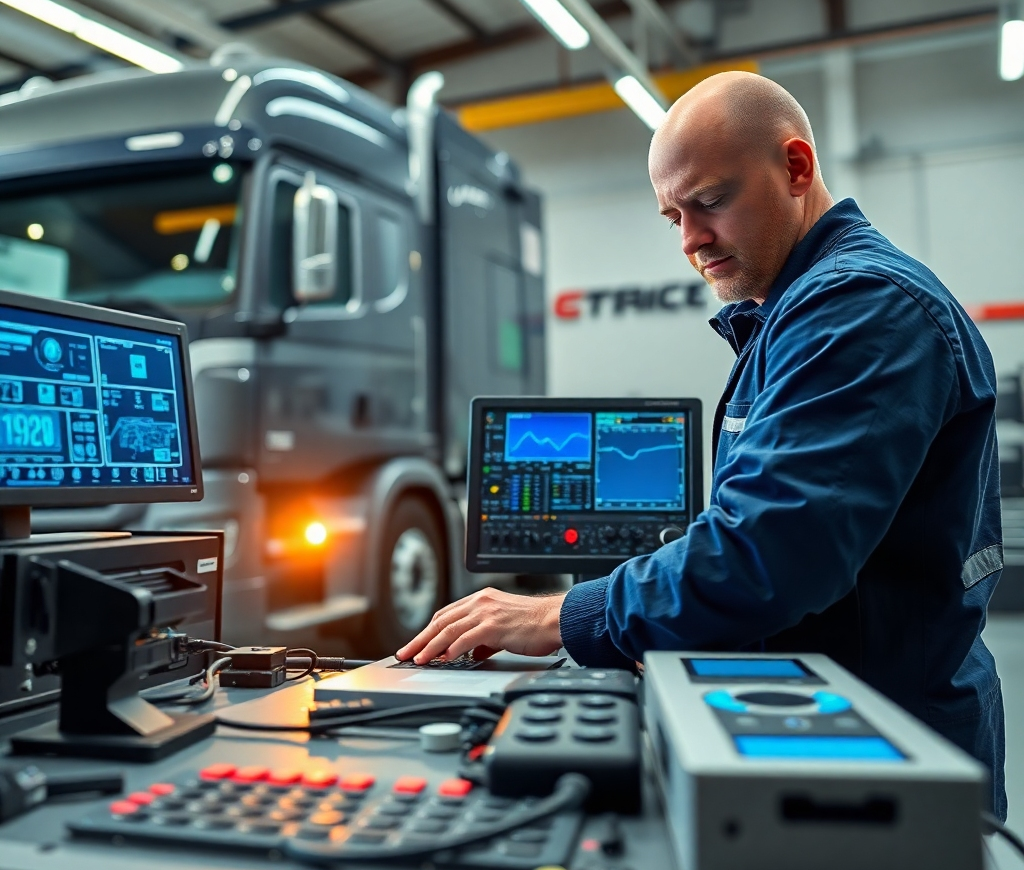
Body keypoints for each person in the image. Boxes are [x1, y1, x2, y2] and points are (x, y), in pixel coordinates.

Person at [397, 71, 1006, 817]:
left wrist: (558, 616)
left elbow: (768, 556)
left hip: (884, 753)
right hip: (830, 720)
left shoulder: (860, 307)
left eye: (710, 202)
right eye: (672, 216)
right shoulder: (786, 316)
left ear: (796, 168)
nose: (691, 240)